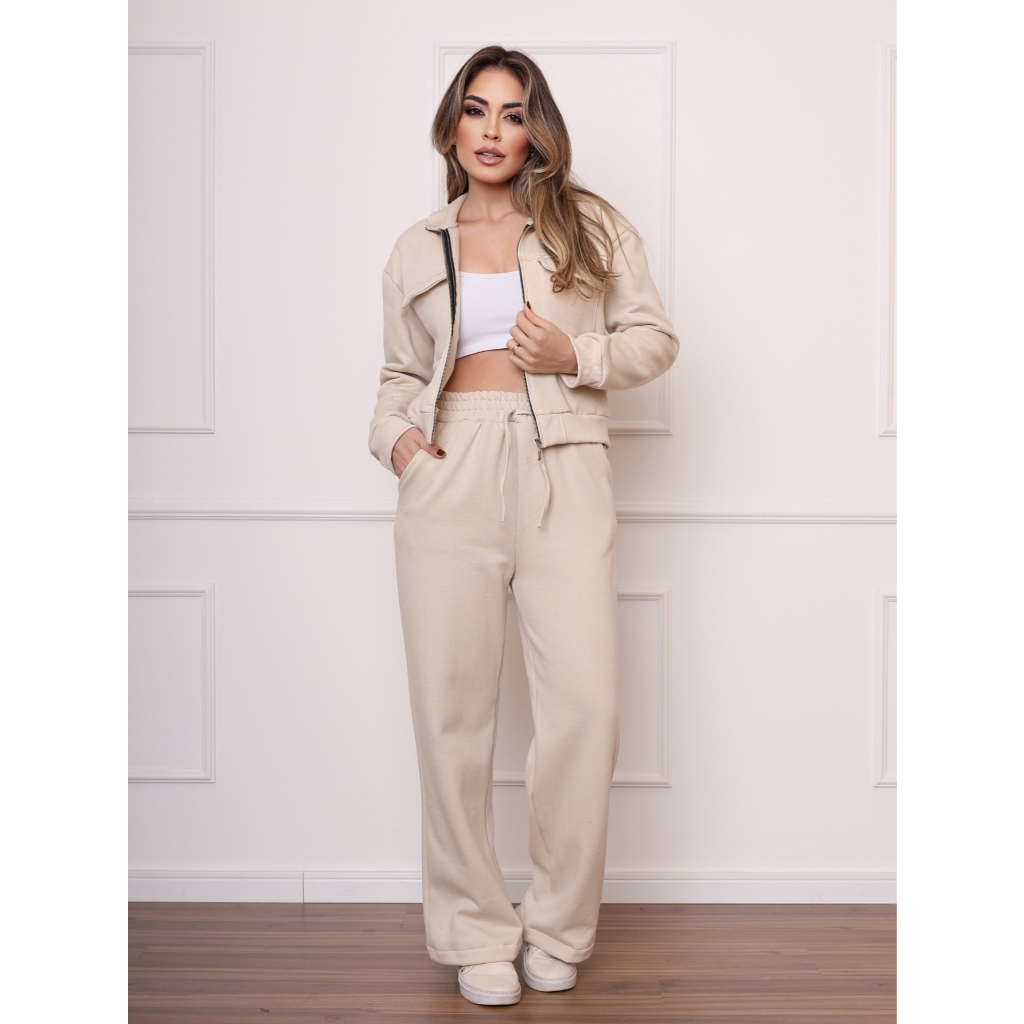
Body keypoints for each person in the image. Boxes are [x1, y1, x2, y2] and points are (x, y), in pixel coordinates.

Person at [368, 45, 678, 1007]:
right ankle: (474, 932)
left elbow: (654, 339)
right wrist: (399, 443)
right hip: (449, 465)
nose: (493, 130)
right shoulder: (416, 247)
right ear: (452, 127)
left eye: (512, 113)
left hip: (563, 463)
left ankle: (558, 926)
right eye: (476, 110)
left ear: (536, 130)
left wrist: (574, 354)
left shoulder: (591, 226)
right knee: (450, 717)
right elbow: (396, 376)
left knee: (585, 708)